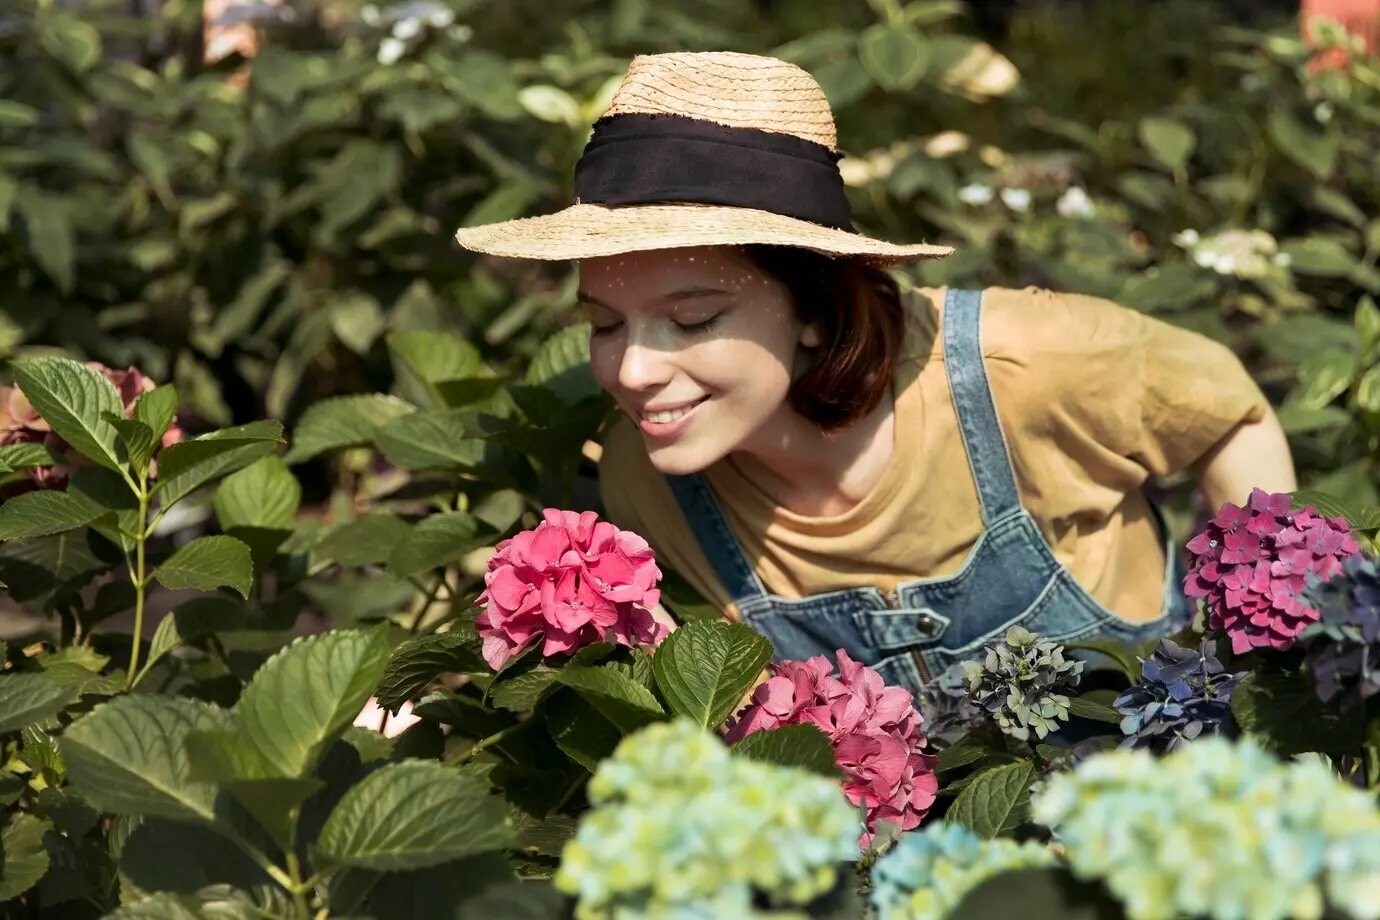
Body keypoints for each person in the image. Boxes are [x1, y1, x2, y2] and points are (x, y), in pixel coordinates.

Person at [453, 51, 1297, 694]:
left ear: (815, 307)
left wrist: (1260, 659)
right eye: (603, 324)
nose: (634, 368)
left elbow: (1232, 410)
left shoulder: (1023, 364)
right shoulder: (651, 485)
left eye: (694, 319)